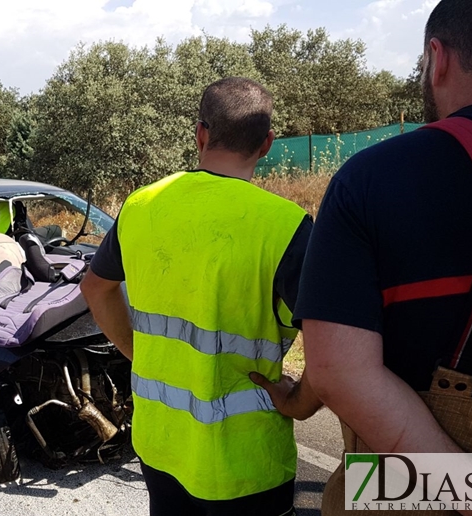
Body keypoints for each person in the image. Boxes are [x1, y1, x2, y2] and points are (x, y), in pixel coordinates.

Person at [250, 1, 472, 514]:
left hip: (407, 478)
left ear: (437, 58)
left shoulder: (373, 179)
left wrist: (469, 493)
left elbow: (339, 370)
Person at [80, 77, 313, 516]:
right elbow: (334, 348)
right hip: (247, 466)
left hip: (161, 446)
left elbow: (95, 288)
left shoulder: (141, 205)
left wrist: (137, 352)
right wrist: (300, 403)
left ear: (200, 134)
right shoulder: (287, 226)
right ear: (266, 144)